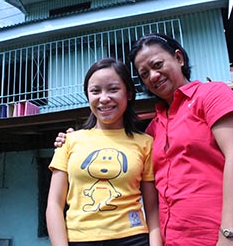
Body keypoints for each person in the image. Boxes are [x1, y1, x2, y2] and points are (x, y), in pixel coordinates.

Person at [54, 34, 233, 246]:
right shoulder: (153, 129)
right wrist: (71, 140)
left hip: (221, 238)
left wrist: (229, 234)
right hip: (175, 240)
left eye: (157, 65)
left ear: (178, 58)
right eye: (144, 74)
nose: (153, 76)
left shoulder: (210, 95)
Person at [46, 58, 162, 246]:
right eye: (95, 91)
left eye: (113, 89)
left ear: (129, 94)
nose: (104, 98)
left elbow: (152, 208)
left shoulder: (145, 143)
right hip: (79, 240)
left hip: (133, 238)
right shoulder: (69, 141)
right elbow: (54, 204)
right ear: (88, 96)